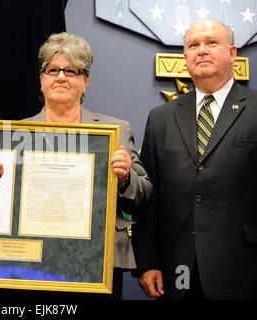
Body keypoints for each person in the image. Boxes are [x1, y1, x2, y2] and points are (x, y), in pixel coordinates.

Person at [133, 18, 257, 300]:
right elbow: (151, 199)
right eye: (193, 45)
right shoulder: (161, 118)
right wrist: (148, 262)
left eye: (211, 43)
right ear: (185, 57)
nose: (201, 50)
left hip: (245, 268)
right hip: (177, 269)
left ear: (233, 53)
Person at [24, 32, 153, 299]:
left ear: (86, 81)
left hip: (98, 262)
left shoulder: (116, 130)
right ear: (41, 79)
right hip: (32, 262)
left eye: (71, 71)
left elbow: (144, 195)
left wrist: (126, 177)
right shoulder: (18, 134)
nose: (61, 77)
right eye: (52, 70)